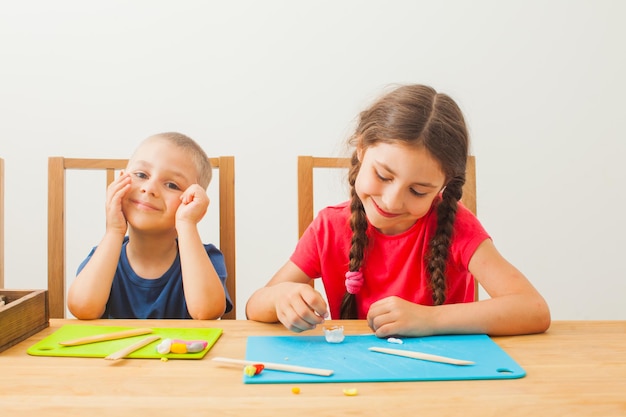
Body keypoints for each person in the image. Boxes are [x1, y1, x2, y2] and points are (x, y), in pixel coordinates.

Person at [246, 84, 550, 337]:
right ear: (362, 149)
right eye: (383, 176)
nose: (392, 201)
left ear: (444, 186)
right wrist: (280, 298)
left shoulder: (456, 226)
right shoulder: (330, 227)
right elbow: (254, 306)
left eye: (417, 191)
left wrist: (429, 320)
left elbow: (532, 309)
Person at [68, 132, 232, 319]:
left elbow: (207, 312)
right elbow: (82, 308)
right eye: (141, 175)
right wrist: (114, 230)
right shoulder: (103, 255)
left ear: (191, 201)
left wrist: (187, 223)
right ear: (120, 182)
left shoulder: (207, 258)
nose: (150, 188)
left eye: (171, 185)